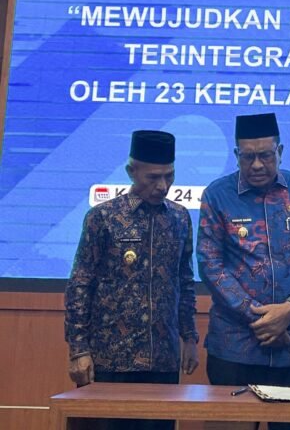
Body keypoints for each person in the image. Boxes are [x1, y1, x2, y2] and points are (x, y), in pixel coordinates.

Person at [197, 112, 290, 430]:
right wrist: (263, 320)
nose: (257, 165)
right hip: (234, 347)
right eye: (248, 157)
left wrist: (289, 308)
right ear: (236, 155)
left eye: (266, 155)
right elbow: (210, 265)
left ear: (279, 151)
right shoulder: (217, 195)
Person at [64, 129, 199, 430]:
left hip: (162, 360)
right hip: (110, 358)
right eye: (153, 177)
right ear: (131, 171)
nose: (162, 186)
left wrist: (190, 338)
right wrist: (79, 350)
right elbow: (80, 285)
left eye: (169, 176)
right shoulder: (103, 217)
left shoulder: (179, 218)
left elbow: (185, 281)